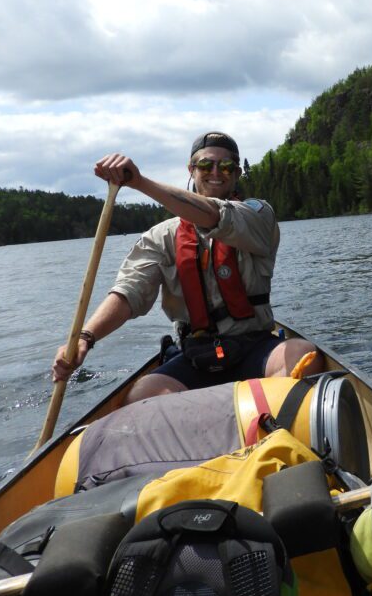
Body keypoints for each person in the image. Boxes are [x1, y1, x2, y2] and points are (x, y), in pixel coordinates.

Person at [52, 131, 320, 403]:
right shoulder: (160, 237)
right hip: (196, 356)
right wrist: (85, 337)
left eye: (226, 166)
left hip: (255, 346)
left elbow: (215, 214)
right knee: (140, 396)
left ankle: (261, 419)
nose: (215, 172)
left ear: (237, 173)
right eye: (205, 165)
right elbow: (129, 292)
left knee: (305, 356)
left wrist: (140, 182)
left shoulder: (258, 215)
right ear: (191, 170)